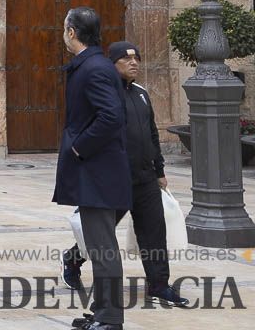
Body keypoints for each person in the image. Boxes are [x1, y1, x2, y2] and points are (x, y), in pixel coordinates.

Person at [62, 40, 190, 312]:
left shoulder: (142, 94)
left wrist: (159, 170)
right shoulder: (107, 93)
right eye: (126, 58)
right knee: (100, 231)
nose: (133, 63)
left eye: (136, 58)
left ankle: (159, 285)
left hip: (145, 177)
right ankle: (73, 259)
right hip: (117, 176)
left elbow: (151, 134)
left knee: (154, 231)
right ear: (112, 63)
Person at [52, 7, 130, 330]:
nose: (63, 34)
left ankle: (110, 319)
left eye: (64, 29)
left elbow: (111, 116)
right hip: (98, 174)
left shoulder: (94, 68)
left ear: (72, 32)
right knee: (99, 246)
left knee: (103, 249)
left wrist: (79, 146)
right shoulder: (95, 64)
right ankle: (101, 311)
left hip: (98, 174)